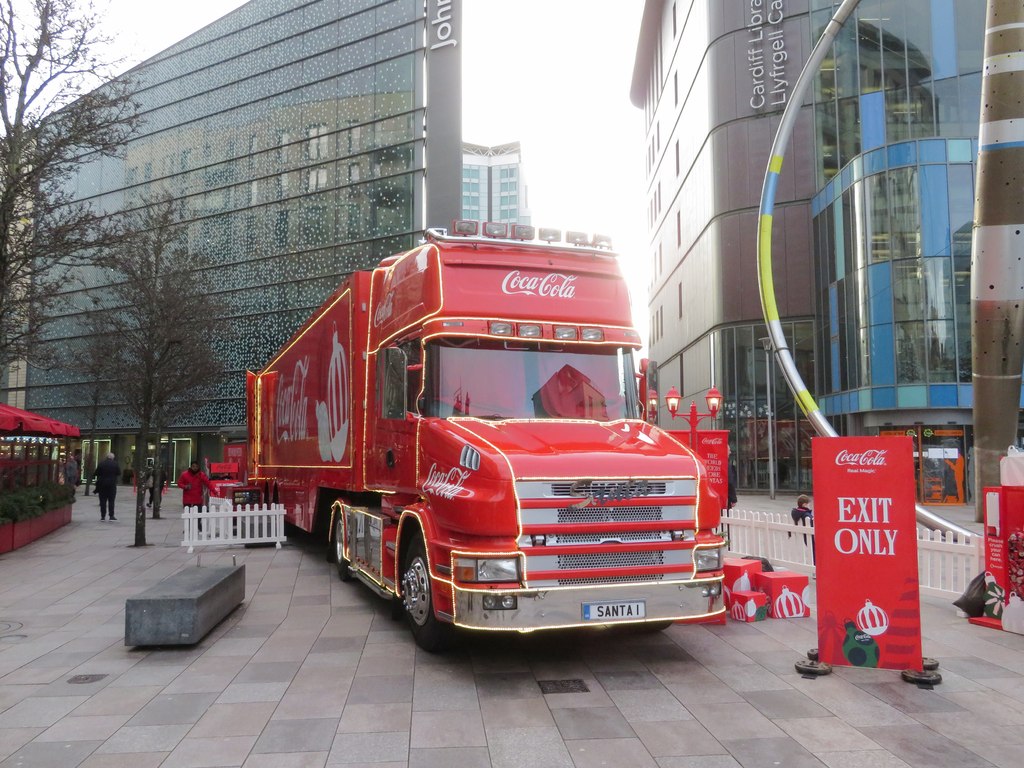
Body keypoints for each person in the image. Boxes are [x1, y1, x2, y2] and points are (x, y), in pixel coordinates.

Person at [179, 460, 212, 530]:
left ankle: (198, 526)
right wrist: (185, 486)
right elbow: (179, 483)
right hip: (187, 499)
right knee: (187, 515)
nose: (195, 468)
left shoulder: (201, 475)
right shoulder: (184, 474)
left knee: (198, 514)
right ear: (191, 466)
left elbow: (208, 483)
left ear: (198, 467)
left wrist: (215, 491)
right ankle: (187, 528)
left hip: (197, 499)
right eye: (193, 466)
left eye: (196, 466)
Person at [93, 452, 120, 521]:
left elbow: (96, 473)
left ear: (107, 457)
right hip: (112, 485)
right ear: (112, 458)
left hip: (102, 484)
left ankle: (103, 516)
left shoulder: (101, 463)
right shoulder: (115, 464)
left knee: (102, 501)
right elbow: (119, 473)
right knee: (111, 501)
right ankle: (111, 516)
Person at [790, 493, 815, 564]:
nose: (810, 506)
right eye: (809, 504)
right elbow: (811, 522)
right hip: (809, 534)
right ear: (804, 504)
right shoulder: (806, 514)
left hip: (804, 534)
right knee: (813, 550)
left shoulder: (797, 512)